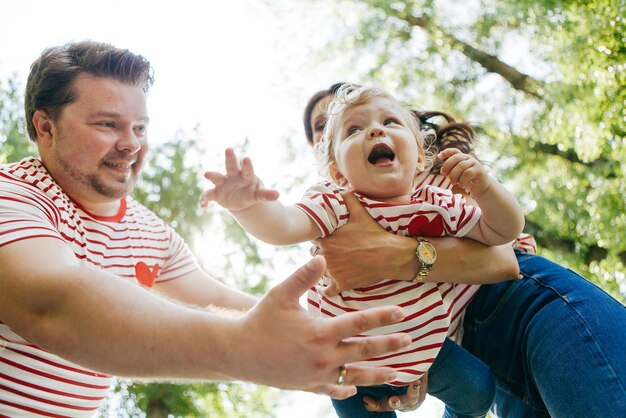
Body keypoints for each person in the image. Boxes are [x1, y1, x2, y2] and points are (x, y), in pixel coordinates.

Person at [0, 42, 416, 417]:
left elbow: (227, 306)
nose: (131, 144)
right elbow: (52, 305)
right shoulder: (11, 193)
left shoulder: (152, 234)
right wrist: (244, 349)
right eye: (107, 125)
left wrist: (392, 359)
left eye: (140, 127)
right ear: (45, 128)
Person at [200, 84, 525, 417]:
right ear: (338, 174)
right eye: (354, 129)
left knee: (479, 389)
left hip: (424, 350)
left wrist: (485, 188)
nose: (375, 129)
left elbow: (502, 231)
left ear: (419, 160)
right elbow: (283, 225)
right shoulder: (337, 203)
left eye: (390, 121)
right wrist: (246, 208)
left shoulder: (437, 205)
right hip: (347, 362)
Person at [303, 84, 626, 417]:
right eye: (322, 126)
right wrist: (411, 365)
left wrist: (393, 256)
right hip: (480, 358)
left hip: (518, 306)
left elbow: (503, 260)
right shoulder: (330, 217)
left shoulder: (428, 176)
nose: (367, 130)